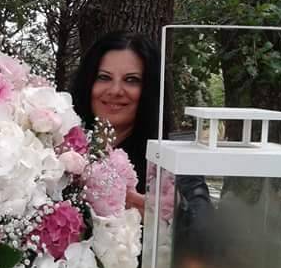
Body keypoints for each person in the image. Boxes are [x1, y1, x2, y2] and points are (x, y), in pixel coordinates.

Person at [71, 31, 210, 219]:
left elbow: (205, 233)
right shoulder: (57, 151)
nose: (115, 90)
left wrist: (173, 215)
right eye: (104, 77)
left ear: (150, 90)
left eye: (131, 80)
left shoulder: (174, 163)